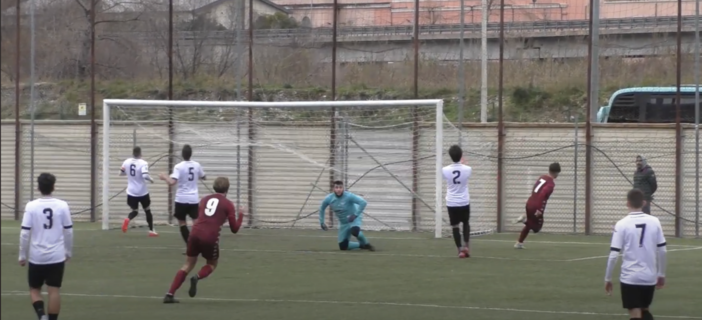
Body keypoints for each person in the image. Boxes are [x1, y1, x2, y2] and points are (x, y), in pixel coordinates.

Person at [163, 177, 243, 303]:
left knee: (188, 264)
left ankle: (170, 294)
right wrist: (241, 215)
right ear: (227, 189)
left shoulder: (205, 199)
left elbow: (205, 216)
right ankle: (197, 277)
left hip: (195, 233)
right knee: (212, 264)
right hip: (210, 237)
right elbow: (234, 229)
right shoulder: (228, 204)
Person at [604, 189, 667, 320]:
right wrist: (661, 274)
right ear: (644, 203)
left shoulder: (621, 224)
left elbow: (614, 254)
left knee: (635, 314)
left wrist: (608, 278)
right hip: (649, 276)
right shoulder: (655, 221)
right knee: (645, 310)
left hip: (630, 277)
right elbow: (662, 250)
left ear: (627, 203)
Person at [19, 173, 74, 320]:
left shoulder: (31, 206)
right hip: (56, 256)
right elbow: (68, 230)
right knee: (54, 290)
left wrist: (22, 255)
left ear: (38, 187)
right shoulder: (62, 205)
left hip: (37, 257)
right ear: (53, 187)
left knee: (34, 289)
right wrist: (68, 252)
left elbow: (25, 233)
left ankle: (42, 316)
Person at [160, 144, 206, 245]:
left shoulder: (178, 166)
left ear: (182, 154)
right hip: (193, 199)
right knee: (196, 223)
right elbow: (204, 177)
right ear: (191, 154)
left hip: (181, 199)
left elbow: (172, 182)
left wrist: (164, 177)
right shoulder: (197, 165)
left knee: (182, 222)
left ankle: (190, 245)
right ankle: (199, 243)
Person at [513, 162, 561, 249]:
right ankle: (524, 220)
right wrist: (539, 209)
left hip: (530, 202)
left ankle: (519, 243)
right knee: (537, 228)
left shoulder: (542, 177)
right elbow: (542, 194)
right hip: (536, 206)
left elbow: (535, 190)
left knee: (529, 225)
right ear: (556, 172)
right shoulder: (551, 184)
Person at [319, 181, 375, 251]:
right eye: (336, 187)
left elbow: (363, 202)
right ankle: (361, 245)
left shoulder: (349, 196)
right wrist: (322, 222)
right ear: (333, 189)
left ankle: (367, 244)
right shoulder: (329, 198)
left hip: (353, 219)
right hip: (343, 223)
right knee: (343, 247)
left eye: (340, 187)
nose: (338, 189)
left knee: (354, 231)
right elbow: (321, 209)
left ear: (343, 188)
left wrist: (355, 215)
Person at [441, 145, 473, 258]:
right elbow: (464, 172)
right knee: (466, 223)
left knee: (455, 226)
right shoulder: (468, 169)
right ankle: (466, 246)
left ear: (450, 156)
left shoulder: (445, 170)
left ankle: (459, 250)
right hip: (464, 201)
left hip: (451, 202)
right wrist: (463, 163)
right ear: (461, 155)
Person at [119, 146, 157, 236]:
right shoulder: (143, 163)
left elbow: (120, 173)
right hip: (142, 192)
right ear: (140, 154)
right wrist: (151, 179)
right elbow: (145, 176)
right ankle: (151, 231)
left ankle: (128, 219)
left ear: (133, 153)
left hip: (131, 192)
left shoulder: (126, 162)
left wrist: (128, 173)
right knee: (147, 210)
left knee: (135, 211)